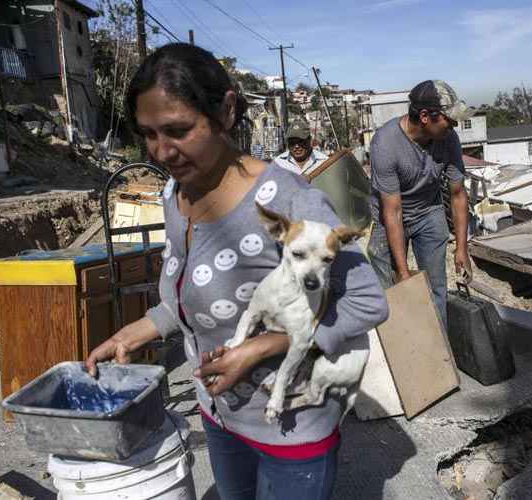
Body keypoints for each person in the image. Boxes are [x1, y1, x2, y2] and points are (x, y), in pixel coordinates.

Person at [85, 43, 388, 500]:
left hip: (291, 424)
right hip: (219, 413)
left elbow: (368, 302)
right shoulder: (175, 195)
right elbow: (195, 296)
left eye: (178, 130)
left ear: (226, 111)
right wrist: (137, 331)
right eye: (148, 134)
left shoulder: (292, 204)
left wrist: (268, 343)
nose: (162, 151)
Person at [368, 79, 473, 328]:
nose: (454, 125)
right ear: (425, 116)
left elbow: (458, 194)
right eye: (448, 119)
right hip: (389, 217)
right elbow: (392, 212)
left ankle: (439, 358)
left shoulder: (449, 139)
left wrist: (461, 248)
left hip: (429, 210)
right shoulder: (385, 144)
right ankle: (397, 350)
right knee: (389, 290)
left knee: (435, 289)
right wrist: (403, 274)